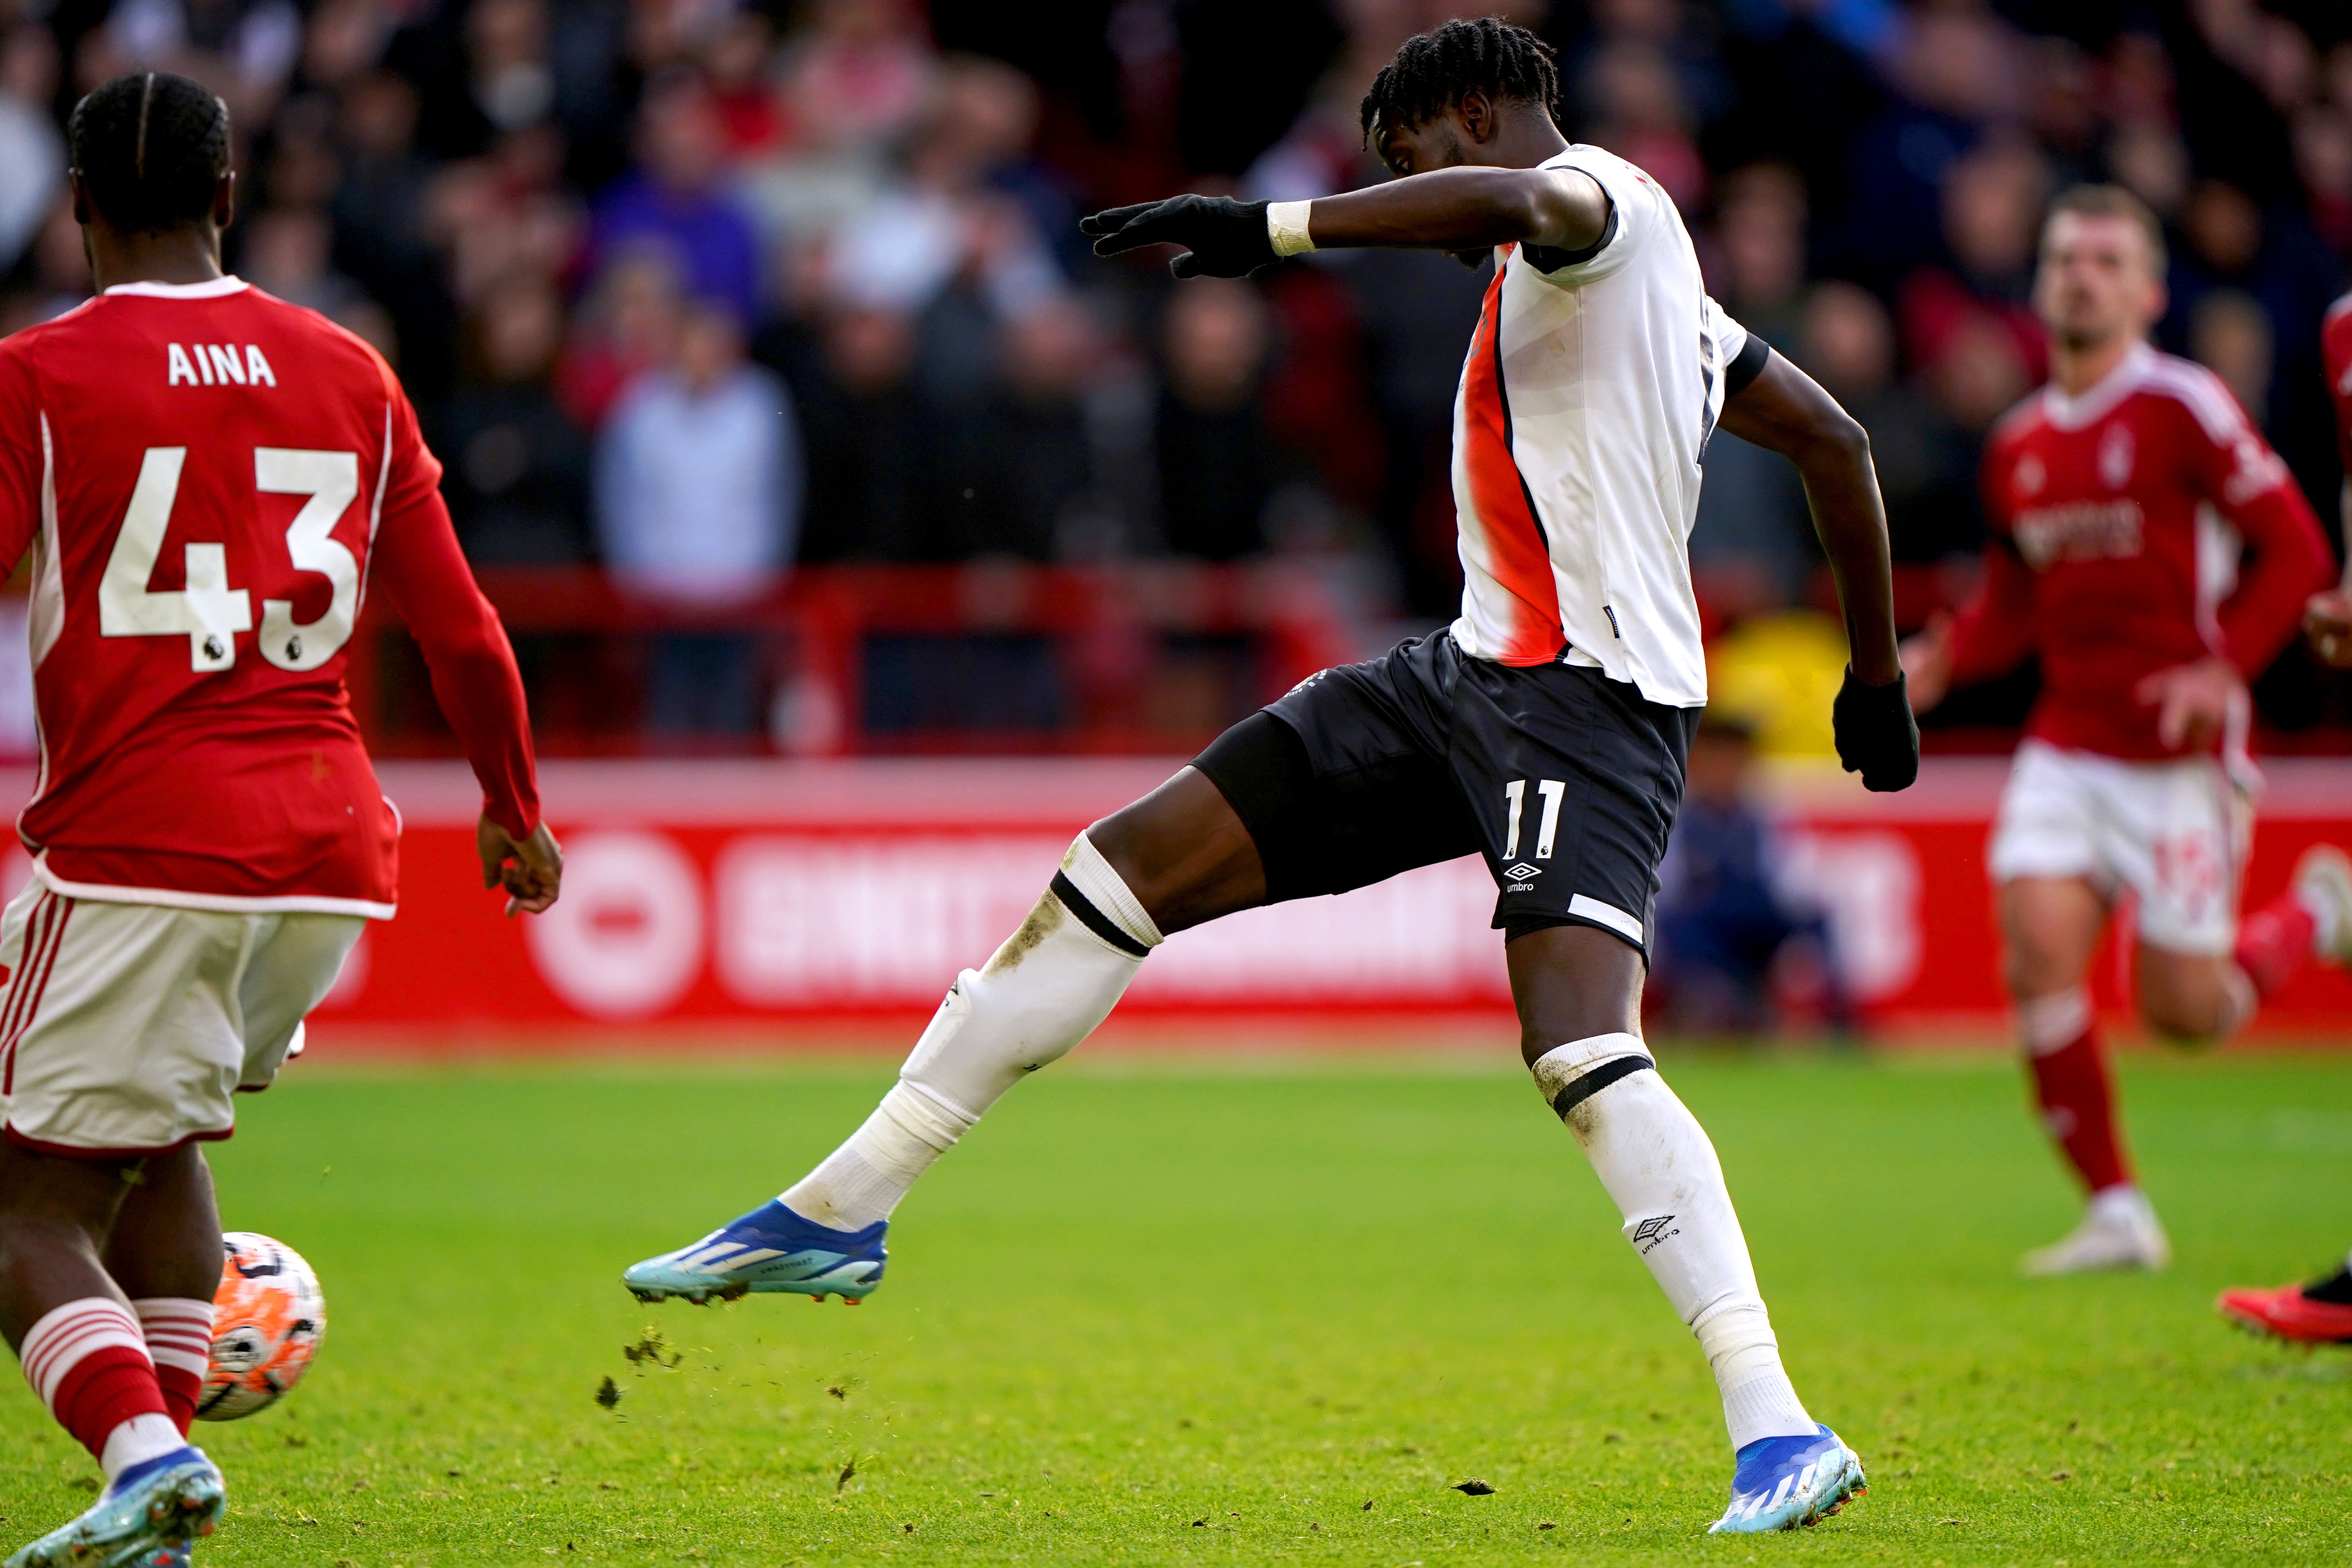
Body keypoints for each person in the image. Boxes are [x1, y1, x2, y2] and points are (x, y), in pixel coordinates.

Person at [621, 19, 1915, 1535]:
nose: (1410, 199)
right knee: (1125, 865)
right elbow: (1831, 440)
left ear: (1481, 113)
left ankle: (1777, 1421)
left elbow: (1514, 205)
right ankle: (842, 1205)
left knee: (1575, 1048)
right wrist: (1874, 675)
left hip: (1588, 705)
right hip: (1462, 679)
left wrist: (1276, 228)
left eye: (1412, 158)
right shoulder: (1644, 302)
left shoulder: (1600, 201)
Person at [0, 73, 560, 1567]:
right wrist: (512, 808)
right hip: (326, 853)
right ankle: (163, 1511)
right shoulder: (351, 369)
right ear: (231, 195)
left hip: (138, 840)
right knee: (163, 1136)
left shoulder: (36, 376)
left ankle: (143, 1449)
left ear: (75, 211)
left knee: (20, 1199)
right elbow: (465, 636)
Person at [1901, 186, 2347, 1280]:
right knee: (2037, 951)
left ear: (2148, 291)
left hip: (2181, 753)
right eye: (2064, 257)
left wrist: (2218, 668)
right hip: (2068, 741)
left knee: (2184, 1012)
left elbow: (2295, 553)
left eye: (2106, 260)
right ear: (2041, 280)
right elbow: (2019, 599)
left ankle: (2315, 913)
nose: (2081, 275)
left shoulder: (2182, 405)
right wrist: (1944, 659)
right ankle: (2116, 1208)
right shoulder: (2018, 446)